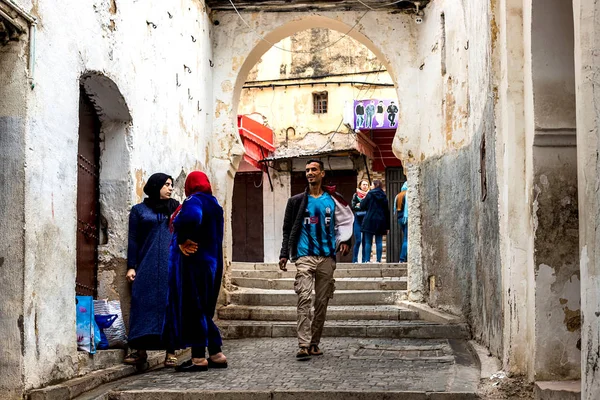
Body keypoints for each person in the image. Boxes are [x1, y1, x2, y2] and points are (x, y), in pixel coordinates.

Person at [279, 160, 353, 360]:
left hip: (327, 257)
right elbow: (287, 229)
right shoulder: (296, 201)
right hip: (304, 256)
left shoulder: (333, 200)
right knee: (304, 297)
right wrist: (284, 253)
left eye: (313, 170)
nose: (310, 173)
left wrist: (347, 241)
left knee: (321, 302)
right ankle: (303, 344)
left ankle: (314, 343)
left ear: (322, 174)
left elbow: (344, 222)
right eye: (307, 170)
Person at [163, 171, 227, 372]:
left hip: (196, 263)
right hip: (213, 264)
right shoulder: (214, 203)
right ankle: (216, 354)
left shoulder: (194, 200)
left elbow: (191, 217)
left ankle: (199, 358)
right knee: (204, 310)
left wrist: (182, 239)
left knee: (195, 309)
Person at [125, 173, 180, 367]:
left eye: (171, 185)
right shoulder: (139, 210)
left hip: (170, 265)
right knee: (142, 305)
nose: (170, 188)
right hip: (146, 265)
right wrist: (131, 266)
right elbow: (133, 239)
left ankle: (171, 351)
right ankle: (140, 352)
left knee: (168, 306)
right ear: (155, 186)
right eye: (166, 184)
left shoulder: (175, 209)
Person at [360, 180, 390, 263]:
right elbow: (387, 211)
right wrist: (388, 226)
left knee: (368, 241)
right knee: (379, 241)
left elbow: (362, 205)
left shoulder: (370, 194)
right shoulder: (384, 195)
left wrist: (363, 199)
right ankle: (378, 260)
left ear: (375, 185)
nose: (371, 186)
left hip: (369, 219)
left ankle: (367, 260)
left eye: (372, 185)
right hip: (381, 220)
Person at [351, 180, 370, 263]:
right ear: (360, 185)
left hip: (366, 219)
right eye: (363, 184)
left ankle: (364, 260)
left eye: (366, 184)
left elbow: (370, 207)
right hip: (358, 219)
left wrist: (360, 205)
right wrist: (361, 206)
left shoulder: (370, 195)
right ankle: (355, 260)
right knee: (358, 240)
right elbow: (353, 206)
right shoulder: (356, 195)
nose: (365, 186)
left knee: (365, 241)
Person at [395, 181, 408, 262]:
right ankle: (402, 258)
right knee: (407, 239)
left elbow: (396, 209)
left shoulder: (398, 196)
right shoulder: (407, 195)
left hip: (400, 218)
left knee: (406, 238)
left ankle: (405, 258)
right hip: (406, 218)